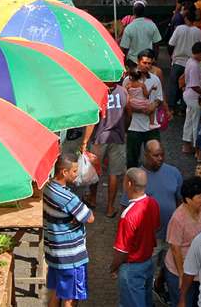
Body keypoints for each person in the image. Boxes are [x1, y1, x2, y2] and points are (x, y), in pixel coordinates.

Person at [122, 140, 182, 303]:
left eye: (162, 154)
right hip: (150, 240)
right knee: (146, 274)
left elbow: (179, 202)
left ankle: (163, 289)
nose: (160, 158)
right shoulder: (137, 177)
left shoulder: (174, 173)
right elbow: (126, 209)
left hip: (172, 237)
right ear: (146, 155)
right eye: (156, 155)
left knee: (171, 269)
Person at [43, 154, 95, 306]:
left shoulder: (47, 188)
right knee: (70, 298)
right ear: (64, 172)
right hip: (70, 255)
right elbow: (90, 217)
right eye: (74, 171)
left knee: (55, 292)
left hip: (54, 250)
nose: (77, 174)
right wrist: (77, 215)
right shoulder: (67, 198)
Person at [111, 168, 161, 307]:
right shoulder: (153, 203)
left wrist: (113, 267)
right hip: (147, 261)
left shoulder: (128, 215)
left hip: (131, 267)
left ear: (129, 184)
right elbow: (156, 227)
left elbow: (122, 251)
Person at [82, 82, 130, 218]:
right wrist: (124, 129)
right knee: (113, 174)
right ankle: (110, 207)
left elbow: (92, 120)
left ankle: (92, 198)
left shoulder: (97, 92)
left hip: (99, 138)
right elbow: (129, 113)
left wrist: (85, 141)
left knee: (95, 171)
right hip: (118, 137)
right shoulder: (123, 92)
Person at [165, 177, 201, 307]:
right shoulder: (178, 219)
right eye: (200, 197)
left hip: (199, 270)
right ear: (188, 200)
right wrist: (181, 275)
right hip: (180, 270)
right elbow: (175, 248)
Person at [124, 51, 167, 168]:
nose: (147, 65)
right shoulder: (128, 80)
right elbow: (124, 101)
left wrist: (155, 105)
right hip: (134, 126)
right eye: (144, 62)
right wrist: (140, 110)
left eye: (149, 63)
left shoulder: (155, 79)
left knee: (156, 157)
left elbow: (159, 98)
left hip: (151, 127)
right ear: (138, 62)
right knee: (132, 159)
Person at [167, 10, 201, 114]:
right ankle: (183, 109)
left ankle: (171, 107)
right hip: (191, 63)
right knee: (187, 86)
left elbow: (170, 45)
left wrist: (172, 57)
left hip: (178, 62)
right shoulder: (198, 31)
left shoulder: (179, 29)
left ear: (186, 18)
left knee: (174, 84)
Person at [181, 42, 201, 155]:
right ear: (198, 53)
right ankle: (195, 147)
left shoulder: (191, 61)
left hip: (190, 96)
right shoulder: (194, 65)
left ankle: (187, 145)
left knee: (189, 121)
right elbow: (194, 85)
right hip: (194, 97)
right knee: (195, 122)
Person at [124, 64, 160, 130]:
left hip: (132, 103)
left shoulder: (128, 85)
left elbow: (125, 94)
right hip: (142, 103)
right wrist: (151, 88)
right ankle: (152, 124)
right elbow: (146, 95)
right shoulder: (142, 85)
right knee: (153, 108)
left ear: (130, 76)